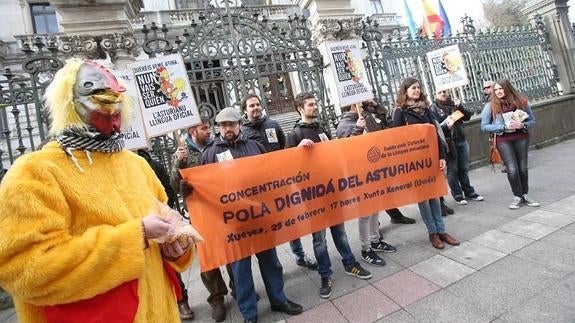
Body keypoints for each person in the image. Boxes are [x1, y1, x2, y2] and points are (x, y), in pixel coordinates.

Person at [0, 59, 195, 322]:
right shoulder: (35, 172)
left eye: (115, 100)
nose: (111, 109)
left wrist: (175, 246)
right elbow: (23, 270)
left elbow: (162, 228)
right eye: (100, 99)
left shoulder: (136, 164)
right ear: (70, 104)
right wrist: (134, 236)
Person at [203, 107, 302, 323]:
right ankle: (249, 313)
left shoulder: (255, 146)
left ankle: (278, 299)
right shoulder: (210, 154)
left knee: (271, 262)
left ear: (239, 124)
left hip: (260, 218)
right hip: (234, 224)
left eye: (231, 124)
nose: (227, 128)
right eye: (223, 125)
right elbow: (204, 189)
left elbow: (270, 175)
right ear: (218, 128)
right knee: (241, 270)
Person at [286, 92, 372, 300]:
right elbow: (288, 166)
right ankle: (325, 275)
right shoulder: (295, 134)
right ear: (300, 108)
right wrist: (297, 150)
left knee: (340, 232)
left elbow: (336, 153)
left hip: (332, 190)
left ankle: (350, 263)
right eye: (310, 105)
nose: (315, 107)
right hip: (312, 196)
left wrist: (358, 129)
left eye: (315, 104)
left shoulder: (322, 128)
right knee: (319, 239)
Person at [239, 94, 317, 270]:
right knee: (267, 226)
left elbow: (285, 150)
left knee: (290, 221)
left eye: (258, 104)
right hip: (259, 188)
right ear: (245, 110)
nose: (256, 108)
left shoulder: (272, 125)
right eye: (251, 106)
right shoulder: (242, 132)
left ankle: (299, 255)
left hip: (279, 183)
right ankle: (272, 266)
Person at [170, 117, 231, 322]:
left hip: (221, 207)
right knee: (207, 257)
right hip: (199, 212)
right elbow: (174, 185)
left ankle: (238, 287)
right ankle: (216, 298)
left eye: (209, 127)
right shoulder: (182, 153)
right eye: (204, 128)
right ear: (192, 131)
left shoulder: (216, 146)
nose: (209, 131)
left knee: (230, 249)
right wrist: (179, 165)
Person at [391, 77, 460, 250]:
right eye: (413, 88)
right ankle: (433, 233)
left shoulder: (426, 109)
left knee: (435, 197)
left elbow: (436, 134)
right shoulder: (400, 112)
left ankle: (442, 230)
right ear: (405, 91)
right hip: (415, 162)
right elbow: (397, 140)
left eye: (418, 88)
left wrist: (442, 156)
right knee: (424, 199)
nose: (416, 90)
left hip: (432, 159)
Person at [336, 103, 397, 267]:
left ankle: (375, 240)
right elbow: (345, 149)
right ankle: (365, 248)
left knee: (375, 207)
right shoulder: (344, 124)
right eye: (360, 104)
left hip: (373, 172)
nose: (363, 106)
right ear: (352, 106)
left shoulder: (365, 118)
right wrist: (357, 129)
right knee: (365, 213)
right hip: (359, 175)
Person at [139, 149, 195, 320]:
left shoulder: (150, 164)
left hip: (159, 227)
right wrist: (138, 230)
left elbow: (167, 192)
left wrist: (162, 213)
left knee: (170, 264)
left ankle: (181, 300)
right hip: (135, 246)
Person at [480, 79, 540, 210]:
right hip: (503, 139)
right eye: (495, 90)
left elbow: (533, 121)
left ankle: (525, 194)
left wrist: (522, 124)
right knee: (512, 169)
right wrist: (502, 127)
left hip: (521, 137)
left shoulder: (521, 101)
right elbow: (484, 126)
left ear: (507, 88)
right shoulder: (491, 106)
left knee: (523, 168)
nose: (498, 92)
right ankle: (517, 196)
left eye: (500, 89)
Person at [430, 89, 484, 205]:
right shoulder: (433, 109)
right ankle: (458, 194)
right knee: (453, 170)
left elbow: (467, 117)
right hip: (449, 143)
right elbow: (435, 128)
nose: (443, 94)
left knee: (464, 168)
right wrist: (446, 128)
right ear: (435, 95)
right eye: (440, 92)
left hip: (461, 139)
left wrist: (460, 107)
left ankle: (469, 191)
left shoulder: (454, 104)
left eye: (444, 91)